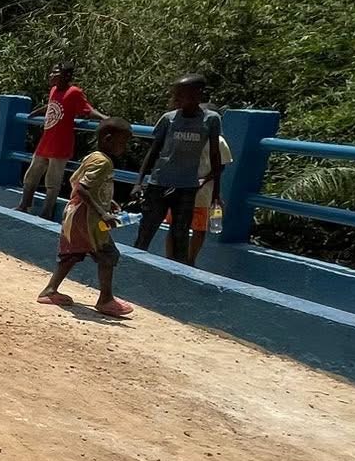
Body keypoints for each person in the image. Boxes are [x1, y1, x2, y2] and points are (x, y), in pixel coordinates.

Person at [39, 118, 135, 317]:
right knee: (108, 254)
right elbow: (82, 189)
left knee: (72, 253)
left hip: (76, 215)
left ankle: (50, 290)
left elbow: (75, 180)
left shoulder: (93, 157)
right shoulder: (103, 162)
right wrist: (102, 212)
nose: (124, 147)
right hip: (88, 219)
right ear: (108, 139)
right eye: (122, 142)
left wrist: (107, 201)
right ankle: (106, 300)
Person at [132, 74, 224, 265]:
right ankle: (132, 268)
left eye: (182, 94)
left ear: (198, 94)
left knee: (180, 235)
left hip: (187, 187)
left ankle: (177, 275)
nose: (177, 99)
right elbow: (154, 151)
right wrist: (139, 182)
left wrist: (216, 194)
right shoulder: (169, 119)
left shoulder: (211, 120)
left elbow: (216, 157)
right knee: (146, 230)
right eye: (176, 94)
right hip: (160, 183)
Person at [17, 64, 98, 221]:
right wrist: (37, 112)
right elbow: (52, 105)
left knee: (52, 181)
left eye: (56, 73)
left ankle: (47, 212)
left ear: (66, 76)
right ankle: (24, 205)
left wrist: (105, 119)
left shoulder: (74, 92)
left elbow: (87, 109)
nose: (51, 75)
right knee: (31, 175)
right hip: (46, 142)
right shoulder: (54, 90)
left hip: (61, 144)